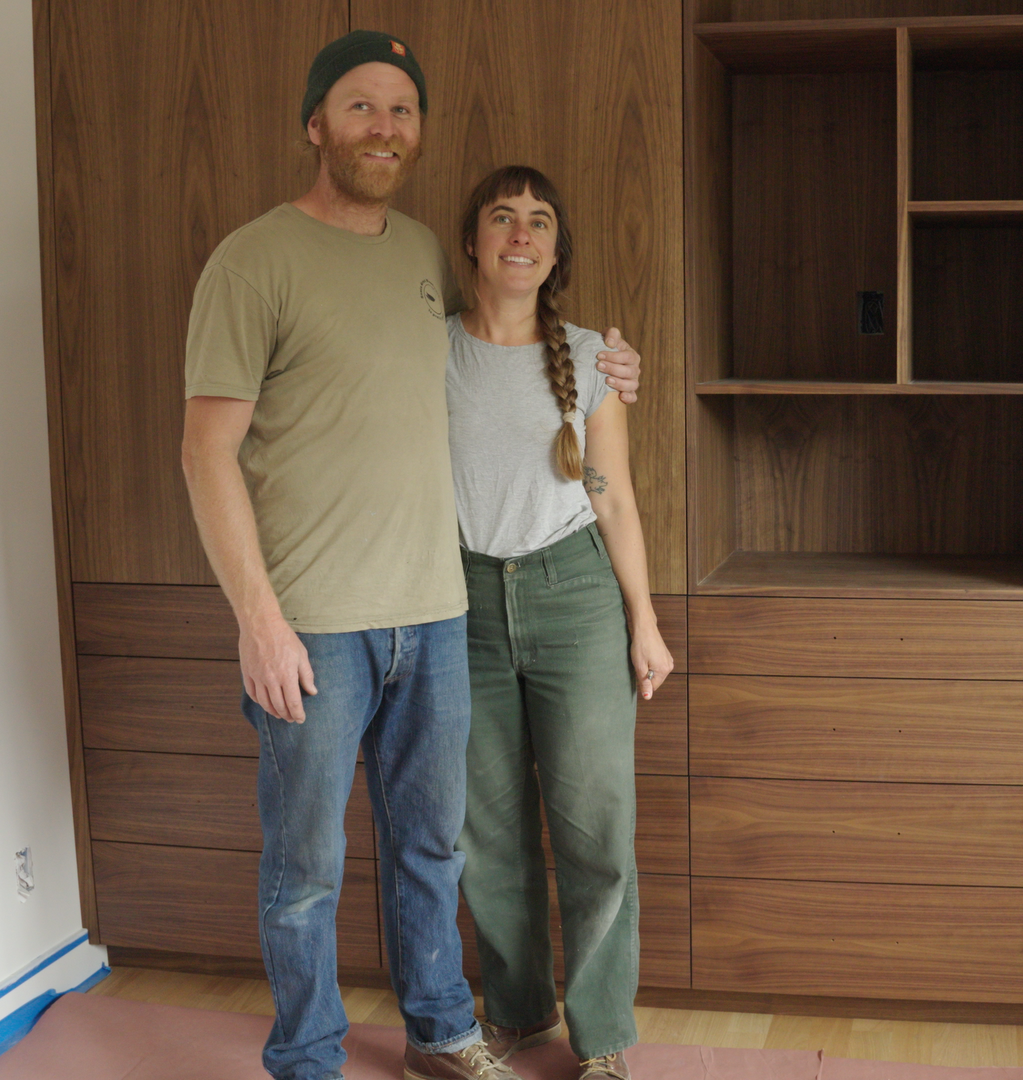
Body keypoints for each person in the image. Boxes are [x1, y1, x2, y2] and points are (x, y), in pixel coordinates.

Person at [178, 32, 643, 1080]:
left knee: (435, 848)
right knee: (306, 865)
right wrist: (258, 622)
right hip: (311, 623)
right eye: (360, 105)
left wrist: (613, 366)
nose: (383, 127)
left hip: (438, 612)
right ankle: (308, 1059)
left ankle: (442, 1030)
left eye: (401, 109)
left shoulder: (428, 253)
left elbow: (514, 335)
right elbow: (205, 452)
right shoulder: (253, 261)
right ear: (316, 123)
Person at [444, 166, 673, 1080]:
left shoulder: (590, 360)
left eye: (538, 222)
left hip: (574, 596)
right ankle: (518, 1011)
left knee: (594, 828)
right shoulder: (430, 352)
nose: (520, 234)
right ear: (472, 241)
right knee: (486, 829)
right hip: (460, 602)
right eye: (503, 217)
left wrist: (643, 623)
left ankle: (603, 1038)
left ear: (554, 250)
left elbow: (614, 500)